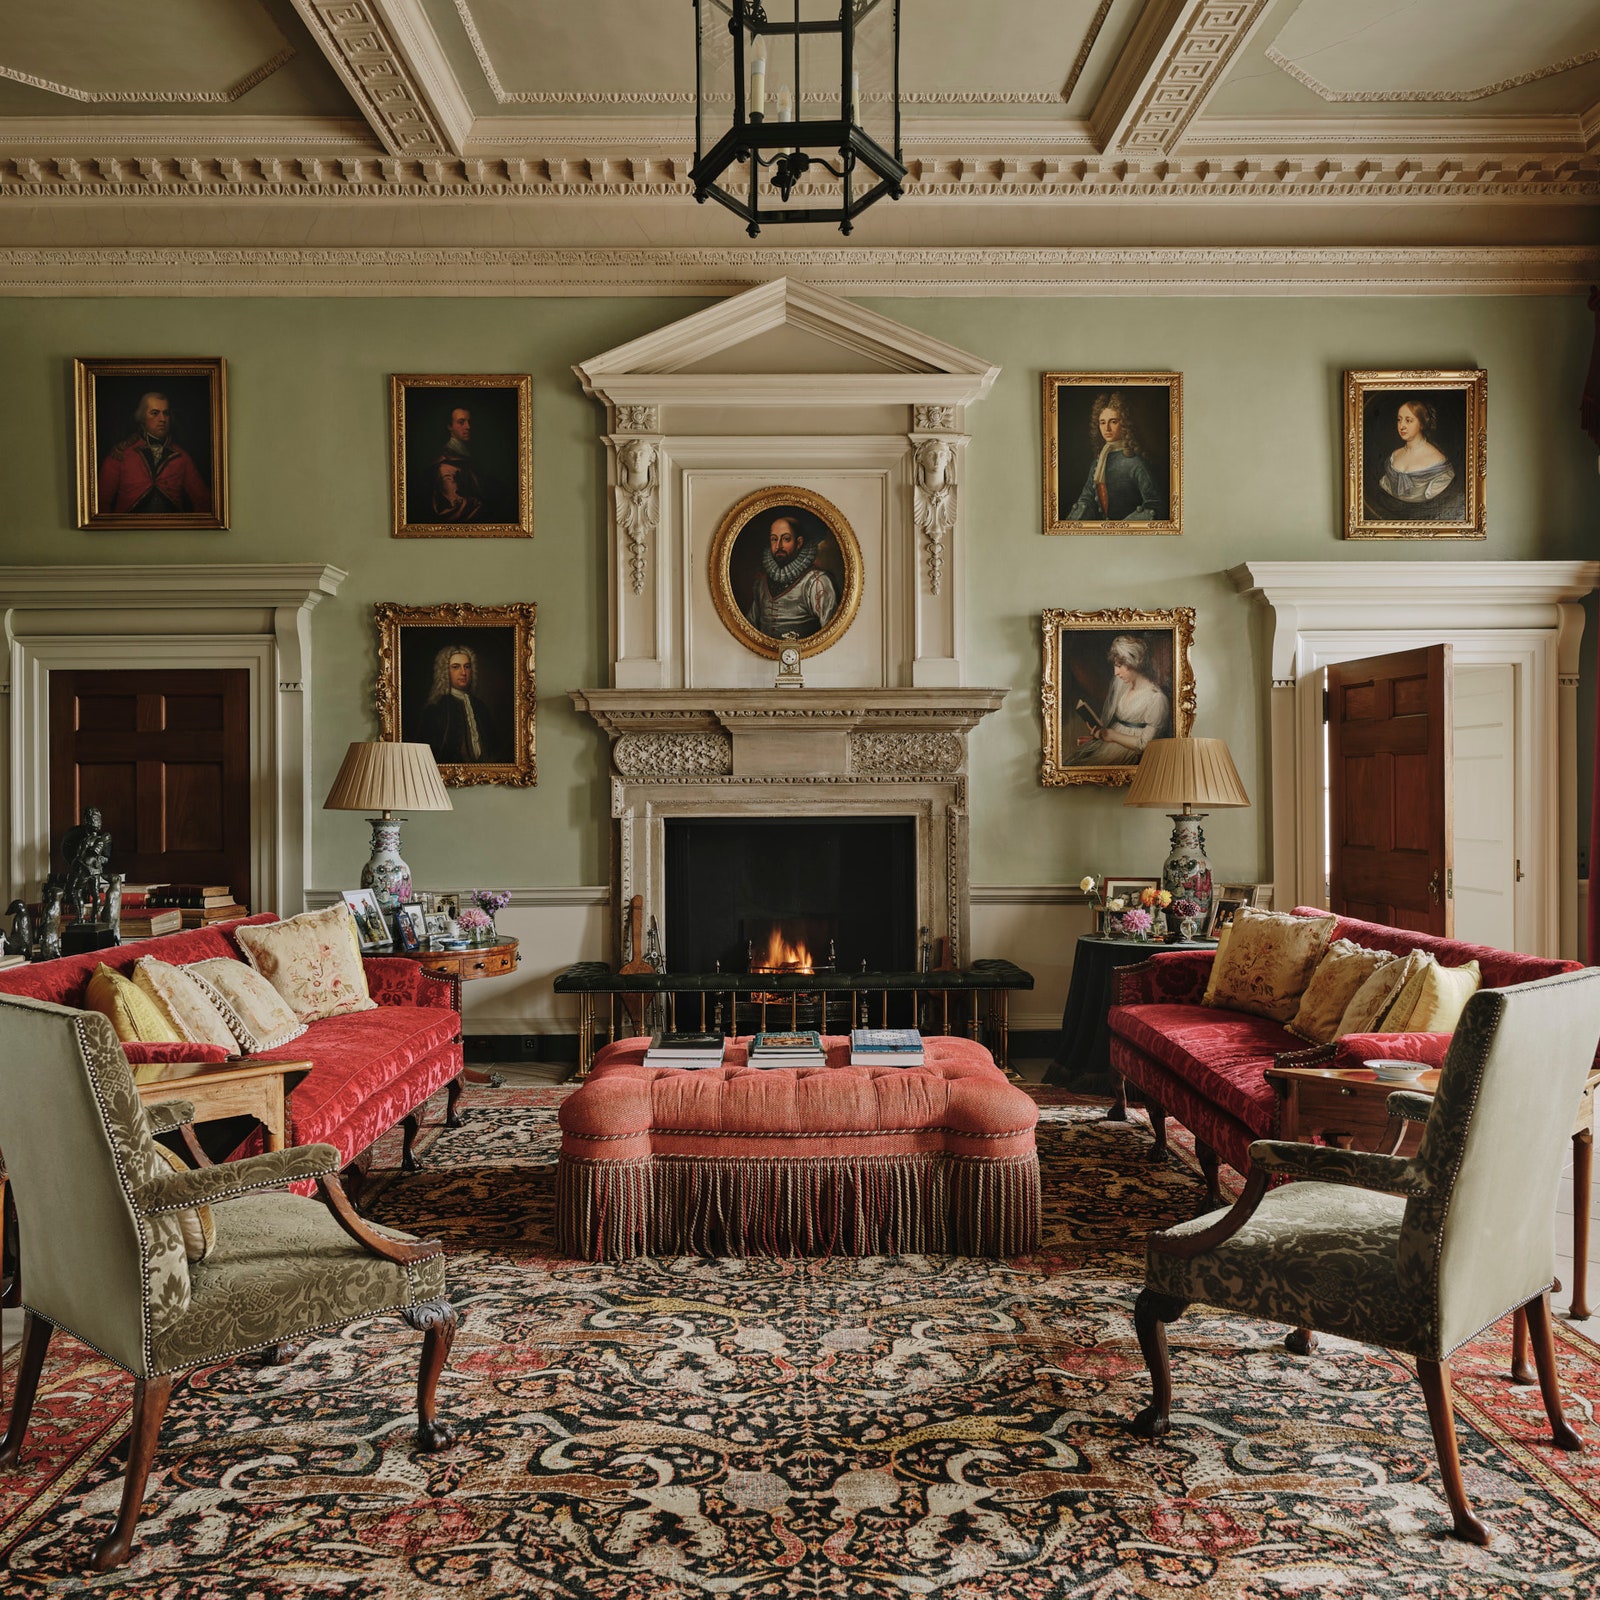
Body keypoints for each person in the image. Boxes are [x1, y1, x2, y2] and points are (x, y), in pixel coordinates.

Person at [96, 391, 212, 515]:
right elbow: (101, 501)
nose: (162, 419)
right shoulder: (120, 453)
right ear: (142, 418)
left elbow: (203, 500)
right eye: (155, 413)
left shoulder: (181, 456)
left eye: (166, 413)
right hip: (128, 528)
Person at [1065, 635, 1171, 766]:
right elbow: (1118, 728)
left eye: (1120, 665)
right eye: (1115, 665)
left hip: (1131, 754)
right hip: (1110, 746)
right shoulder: (1125, 686)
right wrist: (1100, 732)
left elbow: (1145, 744)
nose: (1115, 672)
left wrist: (1112, 736)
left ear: (1135, 663)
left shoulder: (1156, 698)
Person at [1065, 392, 1163, 522]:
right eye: (1102, 422)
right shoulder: (1098, 462)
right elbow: (1086, 500)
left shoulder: (1135, 462)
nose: (1107, 428)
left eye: (1113, 422)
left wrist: (1120, 528)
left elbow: (1154, 506)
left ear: (1125, 423)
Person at [1366, 398, 1464, 521]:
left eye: (1408, 420)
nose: (1402, 426)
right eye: (1399, 420)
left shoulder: (1437, 460)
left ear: (1422, 424)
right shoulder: (1394, 456)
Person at [746, 513, 838, 640]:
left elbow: (830, 635)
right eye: (774, 539)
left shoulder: (817, 582)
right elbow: (750, 627)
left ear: (799, 542)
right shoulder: (762, 583)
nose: (778, 546)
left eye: (786, 539)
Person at [416, 643, 507, 764]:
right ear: (445, 671)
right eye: (455, 667)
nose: (463, 672)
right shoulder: (437, 708)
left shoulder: (480, 706)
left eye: (467, 666)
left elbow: (495, 747)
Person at [431, 407, 485, 521]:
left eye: (469, 422)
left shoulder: (468, 456)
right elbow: (455, 507)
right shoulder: (445, 466)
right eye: (461, 422)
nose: (468, 427)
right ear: (450, 426)